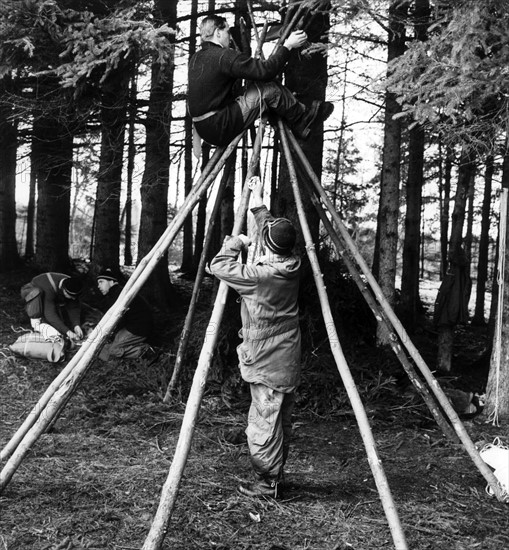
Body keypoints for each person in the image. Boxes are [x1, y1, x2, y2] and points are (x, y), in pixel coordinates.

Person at [209, 177, 301, 498]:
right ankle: (276, 476)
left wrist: (237, 243)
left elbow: (218, 265)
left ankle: (267, 482)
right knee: (279, 422)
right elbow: (268, 226)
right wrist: (258, 197)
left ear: (268, 246)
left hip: (267, 364)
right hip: (286, 361)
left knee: (263, 424)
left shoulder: (261, 278)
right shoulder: (292, 263)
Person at [188, 15, 334, 147]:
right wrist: (288, 46)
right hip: (219, 126)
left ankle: (299, 119)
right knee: (269, 89)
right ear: (217, 33)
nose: (230, 37)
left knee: (259, 87)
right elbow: (266, 71)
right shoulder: (222, 56)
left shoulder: (196, 58)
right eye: (227, 31)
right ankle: (302, 120)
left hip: (204, 128)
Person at [96, 267, 154, 361]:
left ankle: (145, 351)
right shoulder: (116, 293)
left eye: (101, 282)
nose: (98, 286)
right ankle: (131, 347)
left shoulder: (117, 295)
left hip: (138, 329)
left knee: (112, 350)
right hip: (132, 326)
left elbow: (118, 320)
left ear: (111, 282)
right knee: (106, 349)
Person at [20, 272, 84, 342]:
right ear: (64, 290)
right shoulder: (48, 287)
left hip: (52, 296)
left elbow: (74, 307)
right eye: (71, 297)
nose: (73, 299)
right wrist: (68, 332)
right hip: (32, 292)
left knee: (61, 320)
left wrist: (76, 325)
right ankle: (35, 321)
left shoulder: (71, 284)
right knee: (37, 294)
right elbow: (50, 314)